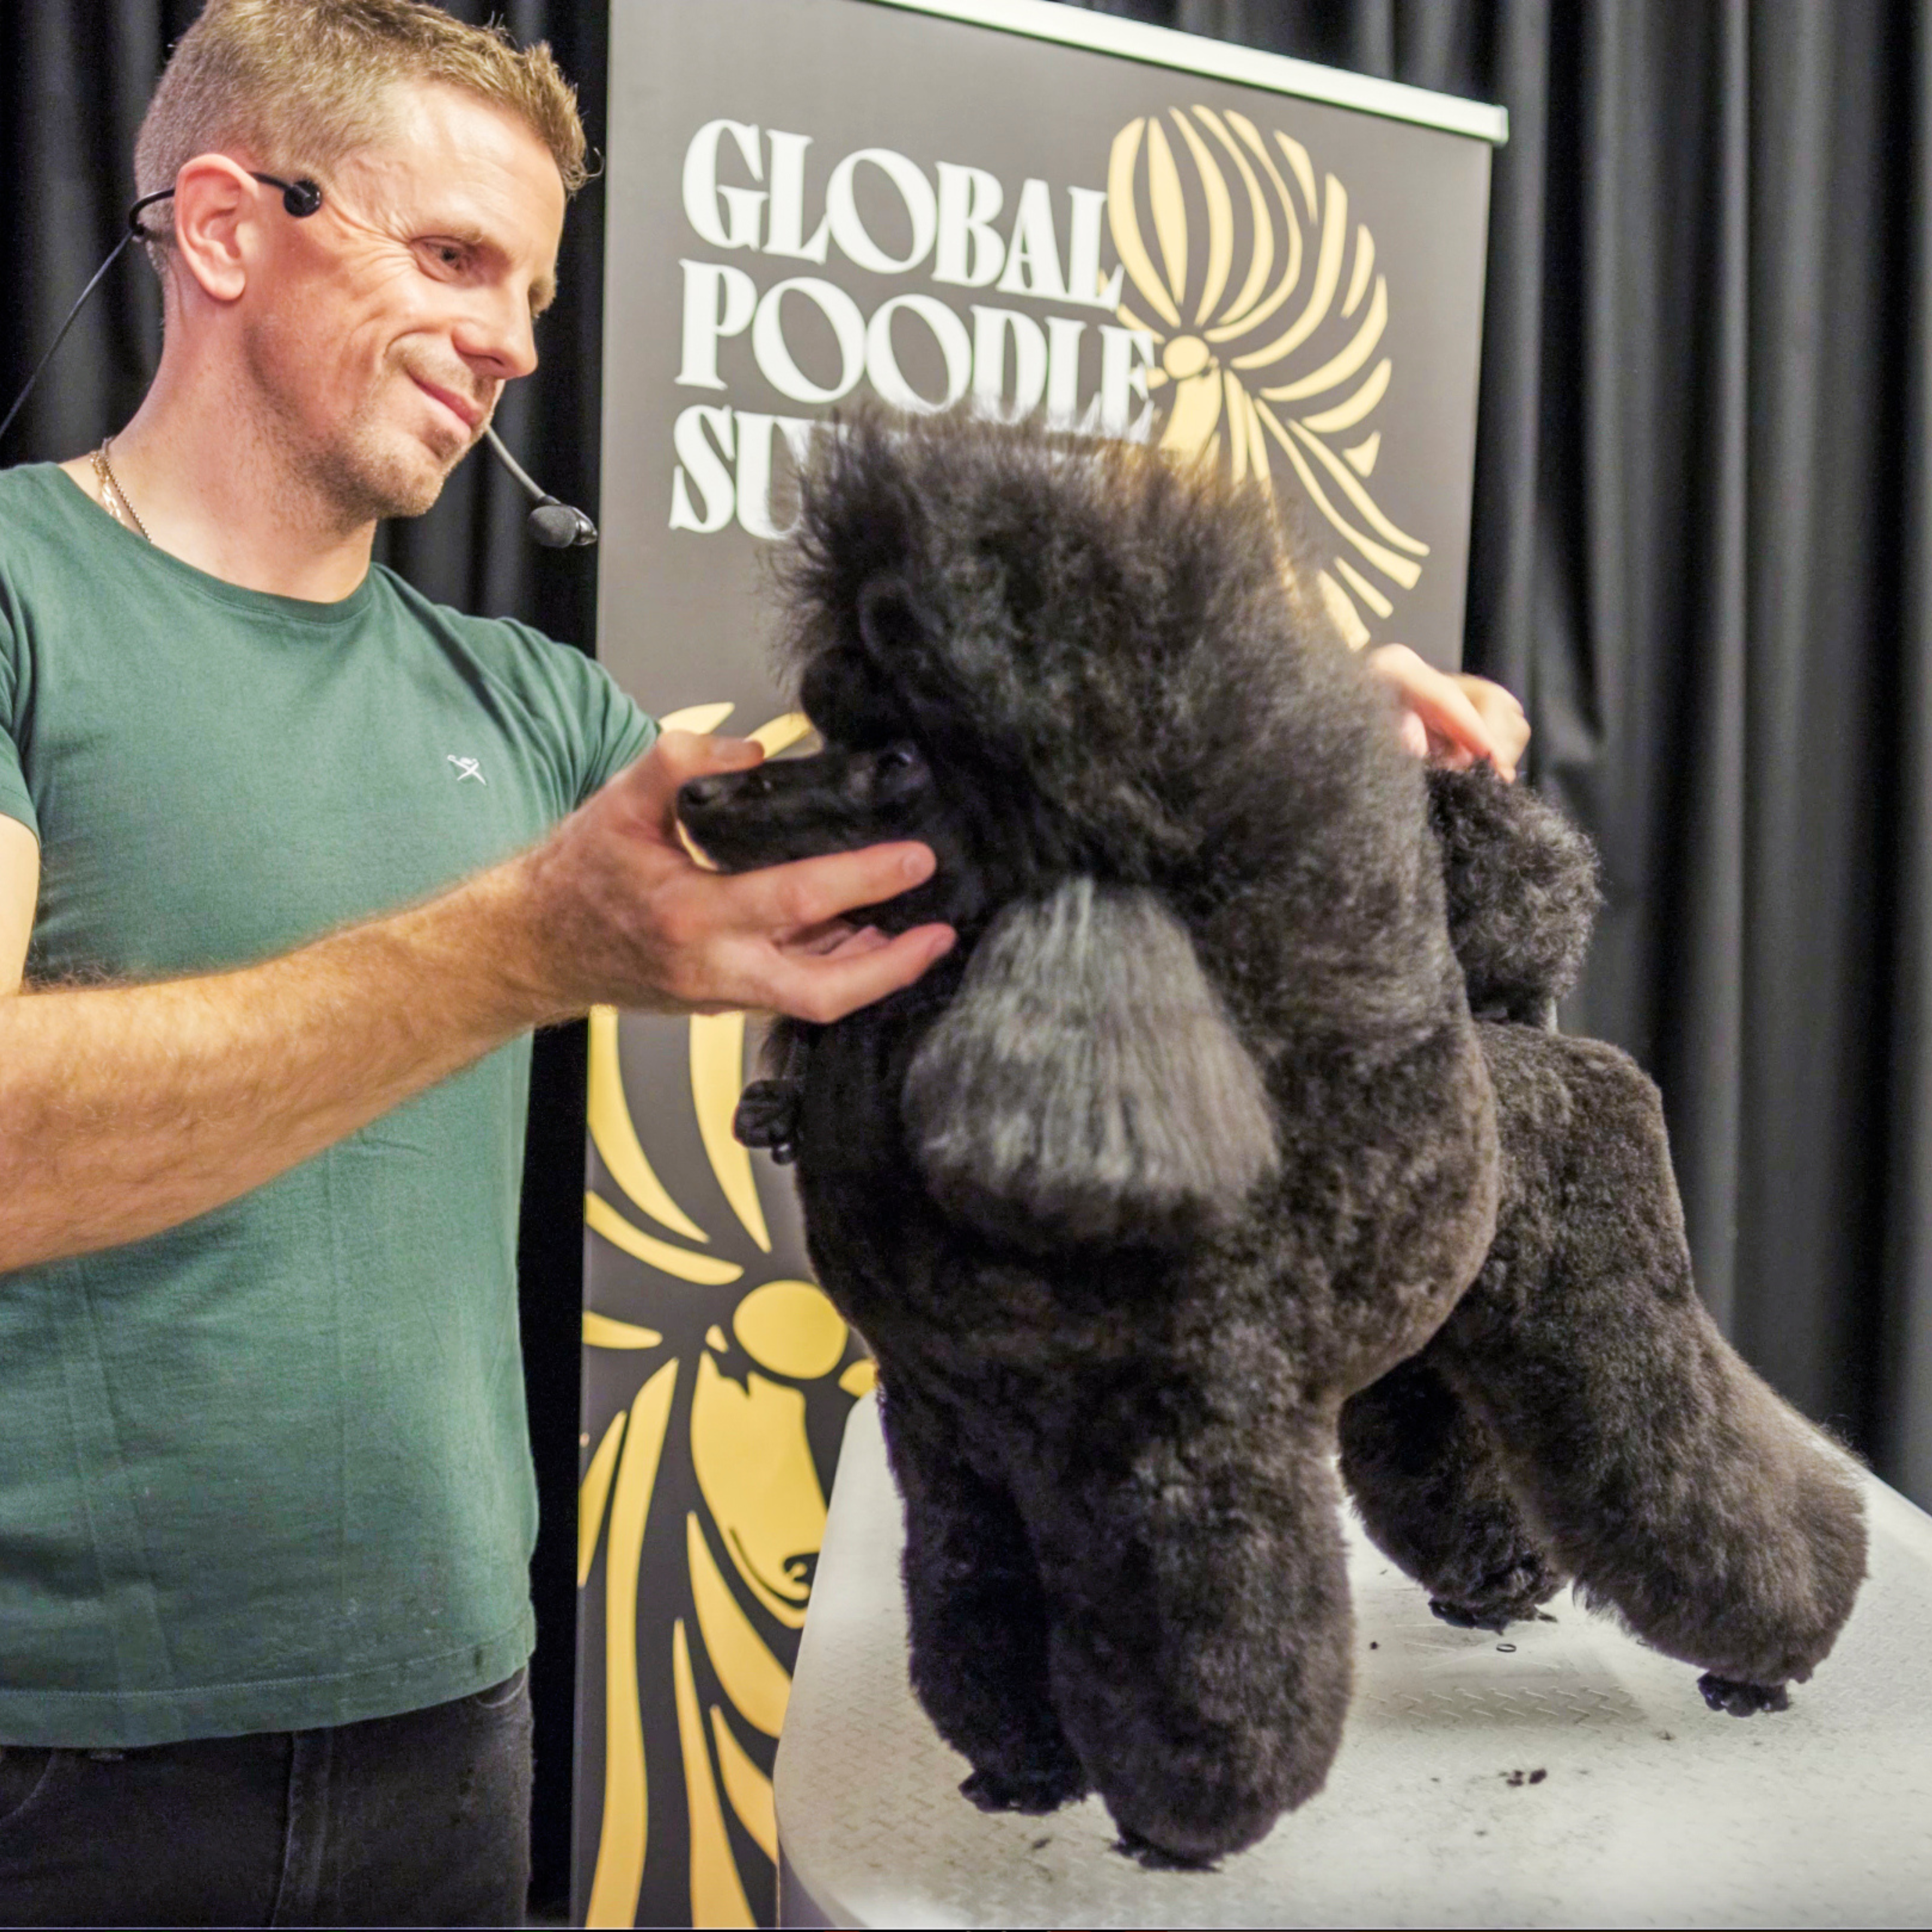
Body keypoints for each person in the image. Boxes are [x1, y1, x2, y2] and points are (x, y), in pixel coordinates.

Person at [0, 4, 1529, 1923]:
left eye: (535, 287)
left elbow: (975, 815)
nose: (514, 343)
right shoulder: (17, 604)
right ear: (225, 227)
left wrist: (1289, 733)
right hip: (50, 1754)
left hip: (446, 1719)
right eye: (456, 257)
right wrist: (517, 947)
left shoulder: (534, 705)